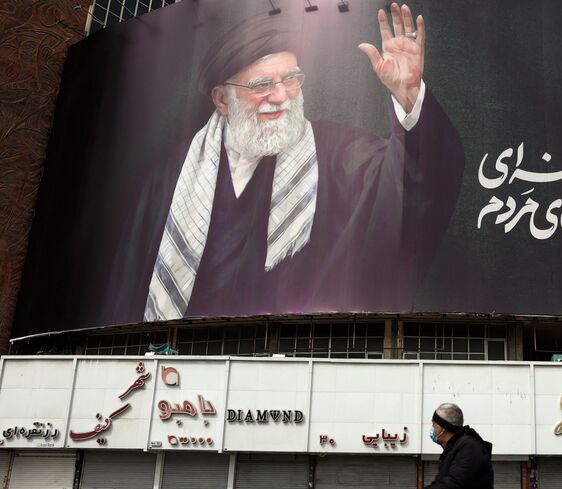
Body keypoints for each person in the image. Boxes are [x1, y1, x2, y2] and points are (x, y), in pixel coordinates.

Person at [101, 3, 464, 324]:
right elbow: (127, 288)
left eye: (290, 79)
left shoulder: (337, 152)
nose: (280, 96)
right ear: (222, 100)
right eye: (261, 84)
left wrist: (409, 97)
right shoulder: (172, 177)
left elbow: (412, 179)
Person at [426, 403, 494, 489]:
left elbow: (454, 484)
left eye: (434, 424)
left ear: (443, 428)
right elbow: (441, 482)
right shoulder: (454, 448)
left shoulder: (469, 447)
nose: (432, 428)